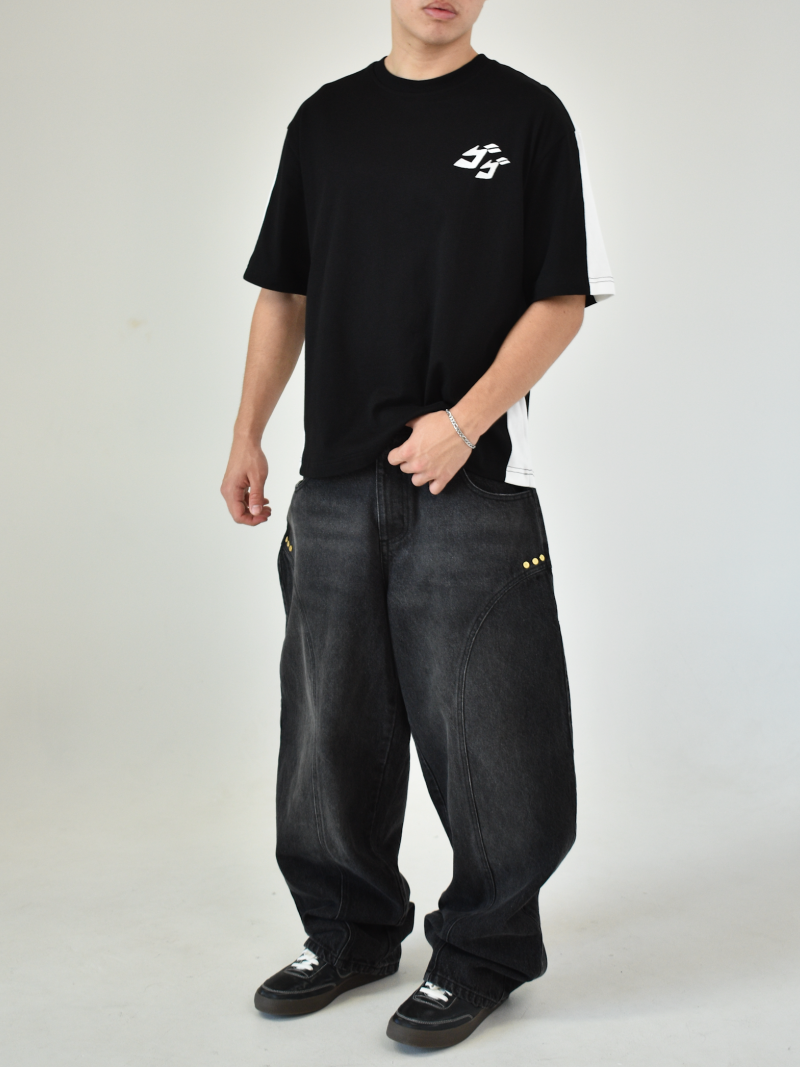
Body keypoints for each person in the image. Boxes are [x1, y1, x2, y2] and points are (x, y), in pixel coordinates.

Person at [221, 0, 613, 1050]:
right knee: (328, 734)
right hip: (334, 483)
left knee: (494, 735)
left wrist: (463, 422)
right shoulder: (326, 121)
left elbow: (561, 299)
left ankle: (485, 949)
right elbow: (283, 293)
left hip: (466, 483)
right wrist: (247, 432)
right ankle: (347, 932)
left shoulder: (528, 119)